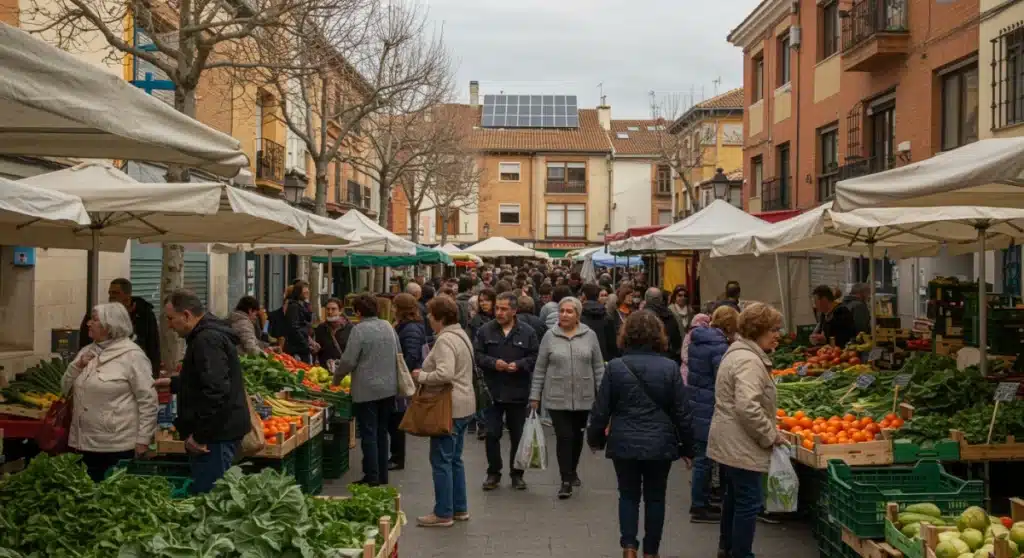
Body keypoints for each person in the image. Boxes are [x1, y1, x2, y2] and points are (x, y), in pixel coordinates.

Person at [587, 310, 694, 558]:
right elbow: (682, 413)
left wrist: (596, 439)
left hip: (624, 440)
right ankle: (651, 552)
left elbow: (601, 410)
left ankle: (629, 547)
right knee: (656, 498)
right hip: (660, 443)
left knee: (628, 495)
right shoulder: (669, 368)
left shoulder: (615, 367)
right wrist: (689, 449)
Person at [707, 303, 786, 558]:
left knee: (734, 498)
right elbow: (748, 407)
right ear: (758, 329)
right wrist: (770, 434)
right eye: (774, 329)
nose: (778, 335)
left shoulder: (738, 352)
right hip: (741, 444)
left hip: (729, 441)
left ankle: (727, 548)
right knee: (748, 503)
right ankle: (741, 553)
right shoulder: (750, 361)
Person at [160, 289, 250, 494]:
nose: (169, 325)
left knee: (212, 497)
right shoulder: (208, 335)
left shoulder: (206, 340)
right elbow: (205, 380)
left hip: (215, 437)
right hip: (219, 433)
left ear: (186, 315)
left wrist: (200, 436)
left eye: (171, 318)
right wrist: (175, 383)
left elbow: (216, 391)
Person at [64, 303, 158, 482]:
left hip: (116, 446)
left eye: (94, 320)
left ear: (110, 325)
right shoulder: (86, 351)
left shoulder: (132, 356)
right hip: (81, 444)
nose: (88, 324)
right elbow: (64, 389)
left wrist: (143, 440)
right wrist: (77, 366)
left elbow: (148, 401)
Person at [529, 296, 605, 500]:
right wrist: (534, 396)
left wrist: (604, 396)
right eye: (562, 310)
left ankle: (572, 470)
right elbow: (540, 368)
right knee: (564, 436)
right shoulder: (549, 336)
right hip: (557, 397)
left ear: (578, 315)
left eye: (569, 311)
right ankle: (565, 479)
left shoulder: (590, 336)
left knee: (578, 436)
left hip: (584, 396)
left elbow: (598, 367)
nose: (564, 314)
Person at [413, 296, 477, 527]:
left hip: (449, 407)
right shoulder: (462, 335)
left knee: (441, 460)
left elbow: (445, 373)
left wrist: (422, 376)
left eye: (430, 314)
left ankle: (443, 513)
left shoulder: (445, 341)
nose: (428, 317)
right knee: (455, 460)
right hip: (465, 404)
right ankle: (459, 508)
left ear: (440, 317)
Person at [332, 294, 399, 486]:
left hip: (366, 390)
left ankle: (372, 476)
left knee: (368, 433)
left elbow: (348, 361)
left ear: (359, 312)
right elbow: (398, 352)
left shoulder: (359, 330)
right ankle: (382, 475)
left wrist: (336, 378)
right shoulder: (388, 326)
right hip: (388, 387)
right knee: (382, 430)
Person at [475, 292, 539, 491]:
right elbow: (477, 355)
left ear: (514, 310)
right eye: (497, 308)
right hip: (493, 391)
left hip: (517, 392)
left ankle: (517, 473)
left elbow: (536, 356)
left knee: (517, 435)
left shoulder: (527, 332)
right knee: (492, 434)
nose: (499, 312)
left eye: (504, 309)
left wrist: (519, 365)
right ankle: (493, 472)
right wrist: (494, 364)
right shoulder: (485, 330)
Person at [688, 305, 739, 524]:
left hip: (697, 401)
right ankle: (699, 506)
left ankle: (702, 500)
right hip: (708, 405)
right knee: (704, 459)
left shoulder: (698, 340)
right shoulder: (718, 346)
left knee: (702, 456)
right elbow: (723, 378)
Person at [78, 278, 161, 376]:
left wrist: (154, 374)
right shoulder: (101, 315)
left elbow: (153, 345)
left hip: (135, 367)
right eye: (110, 293)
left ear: (127, 296)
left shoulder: (145, 315)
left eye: (116, 293)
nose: (111, 296)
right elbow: (84, 340)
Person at [391, 293, 427, 471]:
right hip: (404, 375)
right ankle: (396, 455)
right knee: (397, 416)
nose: (392, 309)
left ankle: (398, 457)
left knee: (398, 416)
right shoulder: (407, 326)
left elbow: (411, 354)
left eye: (394, 306)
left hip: (404, 377)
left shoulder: (410, 328)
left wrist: (402, 372)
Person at [643, 288, 683, 365]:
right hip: (667, 358)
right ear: (661, 299)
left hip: (645, 357)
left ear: (646, 299)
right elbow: (676, 339)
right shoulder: (669, 314)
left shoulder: (640, 316)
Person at [580, 282, 619, 362]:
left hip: (582, 360)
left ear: (583, 295)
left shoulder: (578, 317)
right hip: (603, 360)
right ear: (598, 296)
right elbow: (612, 345)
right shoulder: (607, 317)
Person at [313, 298, 353, 367]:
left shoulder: (350, 328)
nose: (330, 312)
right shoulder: (320, 328)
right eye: (328, 309)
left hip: (344, 370)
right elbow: (317, 350)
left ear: (340, 311)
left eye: (333, 309)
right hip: (325, 370)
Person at [283, 280, 316, 363]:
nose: (307, 291)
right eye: (304, 289)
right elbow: (294, 328)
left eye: (307, 289)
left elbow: (306, 321)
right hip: (297, 349)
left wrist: (310, 342)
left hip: (302, 347)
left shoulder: (303, 305)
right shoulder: (293, 306)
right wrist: (306, 345)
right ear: (298, 292)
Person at [680, 313, 711, 384]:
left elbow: (684, 352)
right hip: (699, 369)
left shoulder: (689, 333)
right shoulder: (707, 334)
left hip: (687, 368)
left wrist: (689, 361)